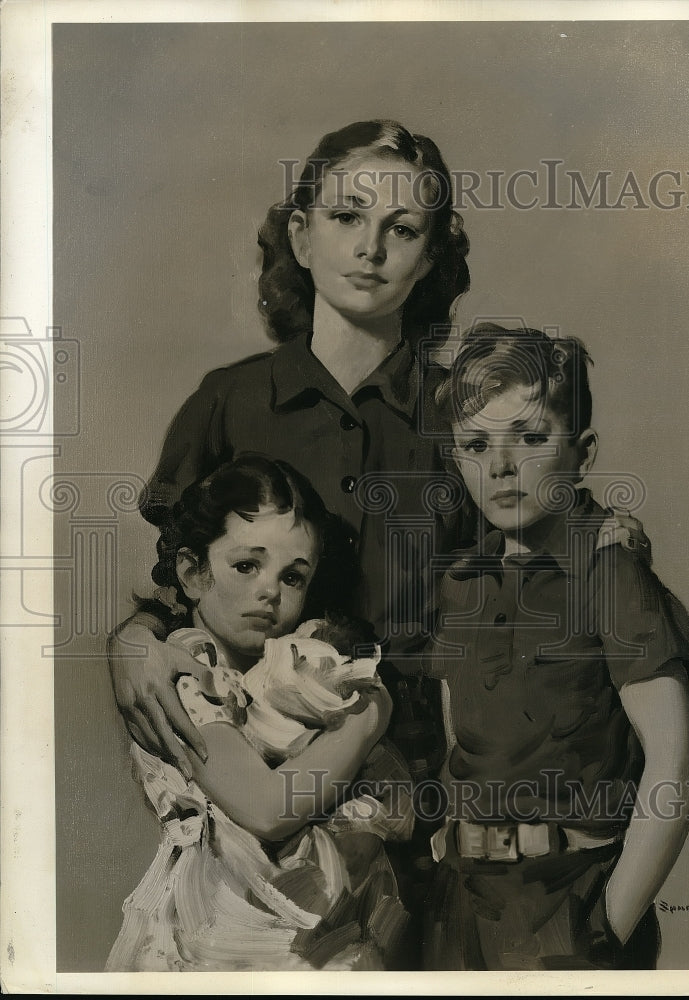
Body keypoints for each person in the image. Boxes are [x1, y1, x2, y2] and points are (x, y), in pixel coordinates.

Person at [107, 119, 470, 956]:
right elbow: (181, 591)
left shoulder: (464, 419)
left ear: (430, 256)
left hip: (425, 819)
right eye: (346, 217)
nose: (370, 248)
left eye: (401, 229)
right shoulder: (228, 402)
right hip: (254, 819)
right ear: (300, 237)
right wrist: (132, 641)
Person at [421, 324, 689, 971]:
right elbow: (456, 750)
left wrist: (605, 927)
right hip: (459, 908)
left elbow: (673, 765)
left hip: (568, 905)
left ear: (581, 452)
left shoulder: (608, 569)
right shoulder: (459, 585)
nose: (500, 465)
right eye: (474, 444)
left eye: (531, 437)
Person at [106, 455, 413, 972]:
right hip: (218, 933)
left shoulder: (291, 665)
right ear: (191, 573)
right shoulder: (185, 669)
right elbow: (268, 808)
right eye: (246, 565)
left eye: (292, 577)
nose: (270, 590)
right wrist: (368, 716)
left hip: (316, 929)